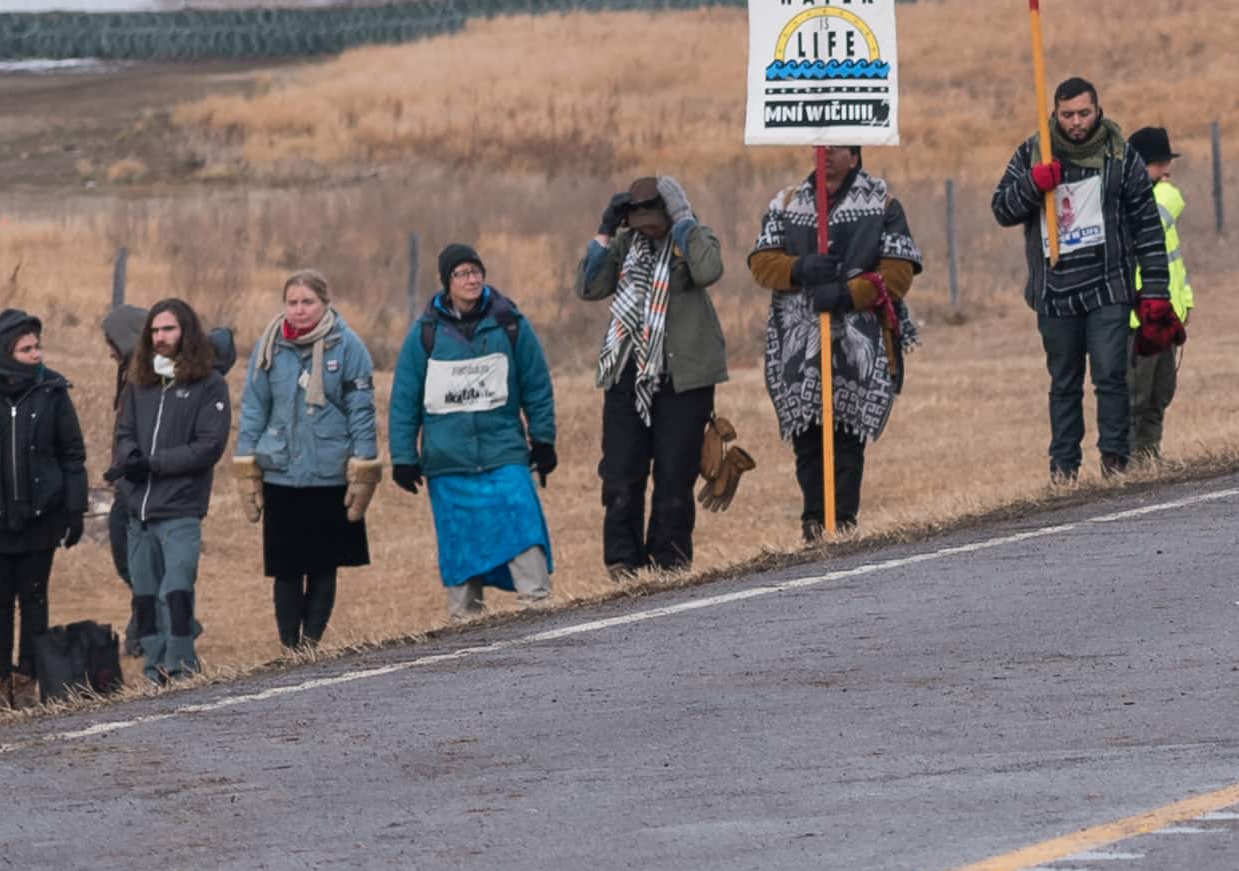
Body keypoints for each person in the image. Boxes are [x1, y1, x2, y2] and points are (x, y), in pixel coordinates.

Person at [989, 72, 1176, 474]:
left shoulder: (1121, 156)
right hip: (1055, 291)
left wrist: (1156, 290)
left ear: (1098, 111)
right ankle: (1064, 468)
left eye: (1084, 113)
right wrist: (1032, 185)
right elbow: (1001, 208)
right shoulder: (1033, 151)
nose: (1076, 122)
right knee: (1064, 382)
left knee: (1111, 373)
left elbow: (1147, 227)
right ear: (1055, 114)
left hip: (1109, 284)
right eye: (1068, 114)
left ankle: (1115, 459)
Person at [745, 150, 920, 539]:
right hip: (797, 339)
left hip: (860, 337)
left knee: (847, 431)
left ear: (854, 157)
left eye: (835, 149)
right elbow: (761, 262)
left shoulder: (883, 204)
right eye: (818, 148)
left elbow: (898, 272)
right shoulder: (787, 203)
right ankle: (813, 520)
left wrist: (848, 293)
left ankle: (842, 520)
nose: (823, 156)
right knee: (806, 432)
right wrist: (798, 268)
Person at [574, 169, 733, 575]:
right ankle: (623, 564)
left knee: (674, 474)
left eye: (655, 222)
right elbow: (588, 288)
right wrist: (604, 231)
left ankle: (670, 562)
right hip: (628, 373)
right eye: (640, 224)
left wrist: (683, 222)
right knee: (621, 475)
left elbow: (708, 270)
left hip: (684, 378)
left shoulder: (693, 238)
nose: (648, 231)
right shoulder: (625, 245)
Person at [386, 242, 559, 615]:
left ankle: (539, 607)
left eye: (476, 271)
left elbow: (536, 386)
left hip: (504, 454)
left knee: (523, 524)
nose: (471, 279)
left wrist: (543, 439)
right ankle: (464, 628)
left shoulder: (509, 323)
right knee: (460, 548)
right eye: (462, 273)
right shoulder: (425, 335)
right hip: (448, 464)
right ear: (447, 283)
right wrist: (403, 456)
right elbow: (404, 400)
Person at [0, 309, 89, 707]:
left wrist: (75, 511)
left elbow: (72, 455)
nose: (36, 354)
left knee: (35, 600)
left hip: (41, 517)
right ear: (5, 351)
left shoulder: (53, 392)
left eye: (37, 346)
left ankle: (27, 680)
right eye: (27, 348)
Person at [96, 297, 232, 684]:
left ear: (185, 331)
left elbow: (209, 446)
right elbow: (123, 433)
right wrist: (130, 462)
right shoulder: (140, 383)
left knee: (175, 589)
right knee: (144, 595)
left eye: (168, 329)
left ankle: (182, 664)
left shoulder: (210, 384)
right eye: (155, 330)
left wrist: (154, 463)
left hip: (180, 510)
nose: (160, 337)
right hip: (139, 509)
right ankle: (154, 668)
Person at [236, 270, 375, 649]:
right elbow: (253, 407)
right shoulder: (270, 346)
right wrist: (245, 462)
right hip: (281, 472)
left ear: (325, 304)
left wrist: (365, 465)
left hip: (329, 473)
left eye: (307, 302)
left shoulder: (348, 347)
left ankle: (311, 643)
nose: (299, 310)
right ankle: (289, 646)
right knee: (286, 569)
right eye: (292, 302)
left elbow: (361, 410)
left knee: (323, 566)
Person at [1121, 126, 1197, 460]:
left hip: (1166, 313)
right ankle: (1129, 457)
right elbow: (1160, 213)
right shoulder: (1133, 202)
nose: (1167, 171)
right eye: (1159, 163)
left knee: (1160, 391)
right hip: (1139, 318)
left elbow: (1175, 261)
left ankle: (1149, 453)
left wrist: (1187, 301)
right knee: (1136, 394)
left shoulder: (1158, 194)